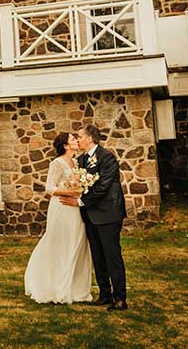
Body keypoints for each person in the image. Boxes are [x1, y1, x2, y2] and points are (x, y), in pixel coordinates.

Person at [59, 124, 128, 311]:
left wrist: (80, 202)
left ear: (89, 138)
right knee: (98, 257)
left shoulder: (107, 158)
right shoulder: (80, 160)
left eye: (80, 136)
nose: (78, 139)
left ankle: (120, 298)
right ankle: (105, 294)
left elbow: (103, 187)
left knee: (112, 256)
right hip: (90, 216)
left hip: (108, 214)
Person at [24, 132, 92, 304]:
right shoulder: (57, 163)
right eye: (72, 139)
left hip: (75, 207)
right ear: (65, 146)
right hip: (62, 206)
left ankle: (75, 288)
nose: (77, 140)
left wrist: (79, 192)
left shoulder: (77, 162)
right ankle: (53, 285)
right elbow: (49, 188)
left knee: (76, 242)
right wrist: (70, 192)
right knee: (61, 242)